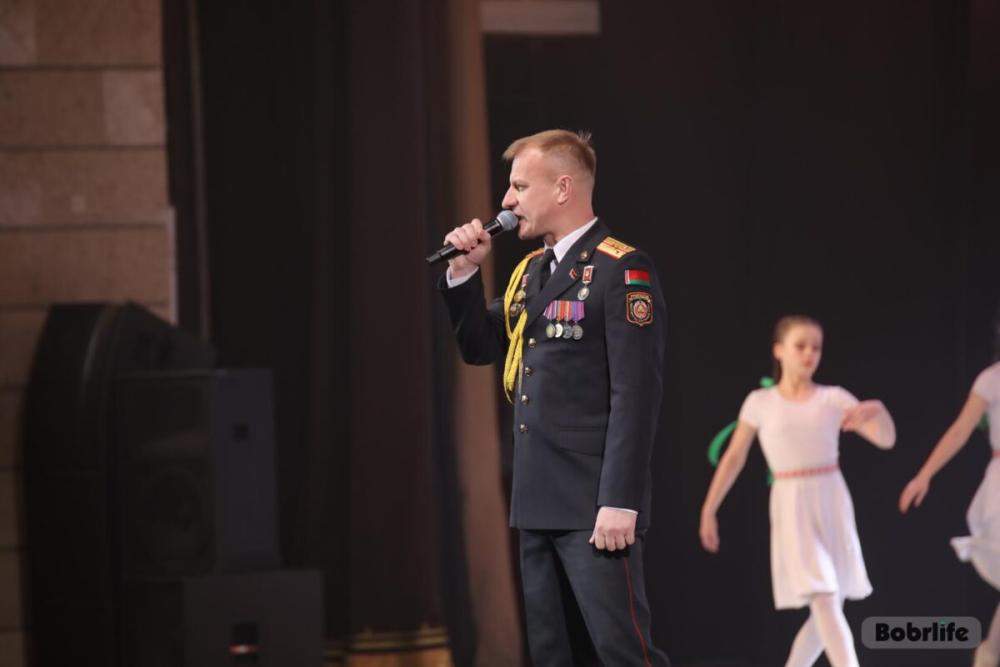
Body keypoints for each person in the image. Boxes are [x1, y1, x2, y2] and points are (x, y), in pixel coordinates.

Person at [438, 129, 670, 665]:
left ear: (563, 188)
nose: (506, 200)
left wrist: (621, 500)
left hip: (594, 507)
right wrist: (464, 272)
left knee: (621, 653)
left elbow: (636, 396)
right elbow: (480, 346)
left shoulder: (621, 269)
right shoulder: (530, 273)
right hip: (537, 501)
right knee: (553, 655)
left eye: (520, 186)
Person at [699, 315, 896, 667]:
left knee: (829, 605)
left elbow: (885, 440)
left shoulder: (833, 398)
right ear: (779, 351)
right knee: (825, 597)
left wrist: (878, 410)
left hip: (831, 498)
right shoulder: (760, 402)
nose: (809, 354)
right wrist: (709, 509)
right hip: (791, 503)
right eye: (800, 346)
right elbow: (733, 458)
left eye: (816, 347)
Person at [899, 307, 1000, 667]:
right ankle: (989, 654)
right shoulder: (992, 378)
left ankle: (989, 654)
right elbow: (960, 430)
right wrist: (924, 474)